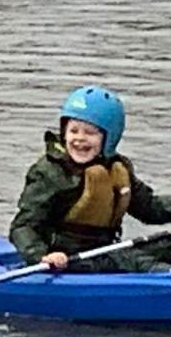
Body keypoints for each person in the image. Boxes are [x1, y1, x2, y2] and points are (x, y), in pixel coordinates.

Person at [9, 86, 171, 274]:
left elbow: (150, 208)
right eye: (73, 131)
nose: (79, 139)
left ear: (109, 138)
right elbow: (23, 226)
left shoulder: (118, 169)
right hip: (68, 258)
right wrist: (41, 256)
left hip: (105, 251)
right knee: (138, 263)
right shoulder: (50, 173)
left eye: (89, 133)